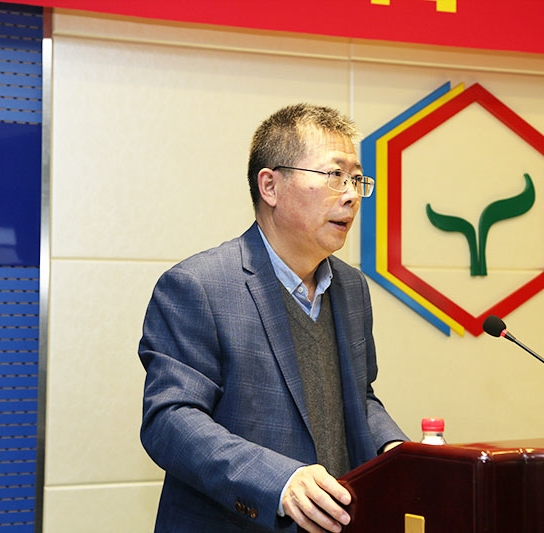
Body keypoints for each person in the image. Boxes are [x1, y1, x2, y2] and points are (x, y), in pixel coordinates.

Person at [138, 103, 408, 532]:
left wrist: (396, 451)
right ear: (270, 186)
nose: (352, 194)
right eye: (334, 175)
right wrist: (279, 481)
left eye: (356, 179)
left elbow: (358, 398)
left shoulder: (351, 287)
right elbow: (170, 420)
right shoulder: (198, 286)